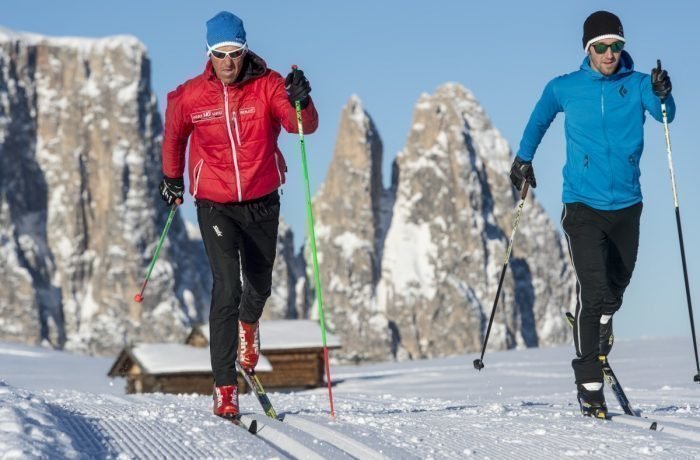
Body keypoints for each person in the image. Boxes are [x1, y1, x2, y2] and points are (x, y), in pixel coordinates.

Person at [510, 10, 674, 417]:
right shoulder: (565, 87)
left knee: (616, 288)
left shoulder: (636, 86)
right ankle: (589, 385)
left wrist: (663, 92)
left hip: (627, 206)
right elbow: (539, 118)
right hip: (581, 205)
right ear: (588, 48)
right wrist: (523, 159)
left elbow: (665, 115)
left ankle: (604, 324)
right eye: (601, 46)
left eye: (616, 45)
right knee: (593, 290)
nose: (609, 53)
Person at [158, 11, 318, 419]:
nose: (228, 62)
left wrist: (302, 99)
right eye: (219, 54)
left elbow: (303, 126)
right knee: (226, 287)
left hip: (263, 198)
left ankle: (251, 323)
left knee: (258, 286)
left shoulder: (268, 86)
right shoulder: (191, 96)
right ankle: (225, 387)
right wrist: (171, 177)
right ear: (208, 54)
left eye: (235, 53)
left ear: (245, 51)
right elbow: (175, 132)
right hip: (214, 203)